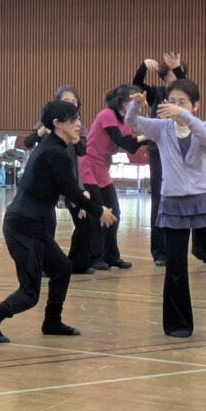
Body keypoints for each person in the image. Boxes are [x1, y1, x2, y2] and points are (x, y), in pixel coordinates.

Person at [0, 99, 116, 344]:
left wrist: (82, 200)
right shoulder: (54, 152)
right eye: (74, 119)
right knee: (29, 293)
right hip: (23, 226)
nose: (79, 124)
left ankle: (52, 321)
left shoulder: (53, 147)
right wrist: (99, 210)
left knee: (62, 267)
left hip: (32, 225)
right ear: (57, 123)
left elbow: (66, 188)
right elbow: (70, 190)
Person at [125, 81, 206, 337]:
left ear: (196, 105)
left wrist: (185, 116)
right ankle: (178, 324)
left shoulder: (203, 126)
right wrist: (136, 105)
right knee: (175, 267)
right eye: (172, 101)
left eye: (182, 102)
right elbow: (132, 122)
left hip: (205, 200)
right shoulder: (161, 128)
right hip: (173, 202)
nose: (175, 106)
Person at [22, 86, 93, 274]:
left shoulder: (77, 125)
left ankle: (78, 263)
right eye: (66, 101)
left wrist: (76, 139)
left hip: (70, 177)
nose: (71, 104)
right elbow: (28, 142)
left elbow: (82, 151)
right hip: (48, 179)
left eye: (73, 101)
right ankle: (44, 265)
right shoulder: (47, 123)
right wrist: (42, 131)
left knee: (84, 220)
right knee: (47, 223)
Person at [78, 84, 144, 271]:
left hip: (103, 169)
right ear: (122, 102)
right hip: (89, 166)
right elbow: (122, 141)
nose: (136, 105)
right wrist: (145, 136)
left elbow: (131, 147)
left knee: (114, 212)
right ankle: (94, 256)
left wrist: (146, 137)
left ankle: (111, 256)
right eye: (133, 101)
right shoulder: (106, 115)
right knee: (98, 212)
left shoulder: (126, 121)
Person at [133, 53, 187, 266]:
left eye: (177, 73)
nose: (173, 78)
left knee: (181, 195)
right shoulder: (156, 93)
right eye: (170, 73)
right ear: (164, 75)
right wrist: (143, 66)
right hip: (158, 149)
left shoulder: (183, 94)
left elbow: (186, 85)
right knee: (159, 197)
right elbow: (136, 84)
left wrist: (179, 69)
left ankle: (179, 248)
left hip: (180, 147)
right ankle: (159, 251)